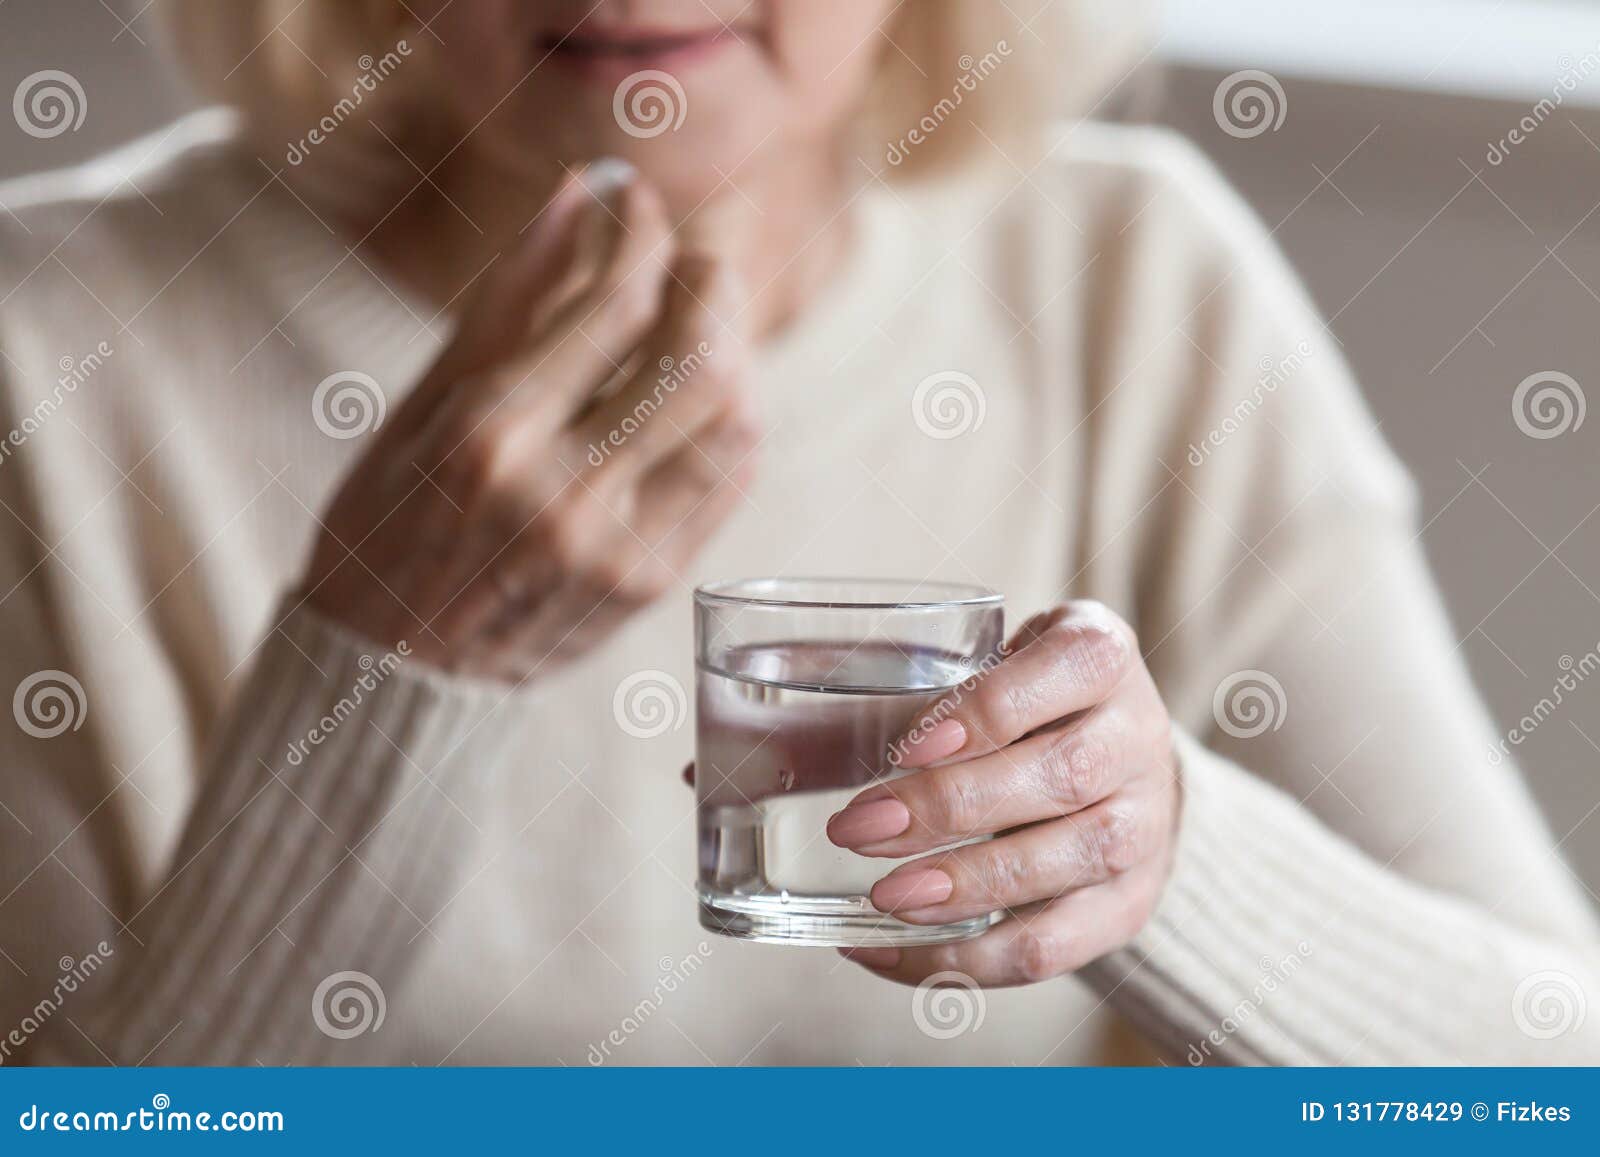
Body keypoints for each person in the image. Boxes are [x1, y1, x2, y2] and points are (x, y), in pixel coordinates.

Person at [0, 0, 1595, 1066]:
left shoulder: (1133, 280)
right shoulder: (47, 340)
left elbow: (1544, 1074)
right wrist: (383, 666)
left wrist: (1157, 861)